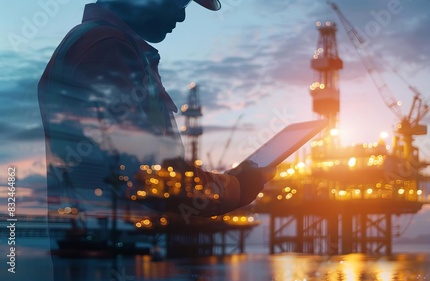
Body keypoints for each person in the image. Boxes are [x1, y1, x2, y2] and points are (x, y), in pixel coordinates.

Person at [38, 0, 275, 258]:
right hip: (111, 257)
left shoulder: (105, 44)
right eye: (179, 2)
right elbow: (147, 171)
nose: (182, 17)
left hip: (106, 250)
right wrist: (235, 188)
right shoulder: (105, 47)